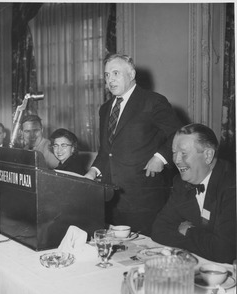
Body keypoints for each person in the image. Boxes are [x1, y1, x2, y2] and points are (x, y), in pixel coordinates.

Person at [85, 53, 182, 236]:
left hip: (143, 199)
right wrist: (92, 172)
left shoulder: (153, 101)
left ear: (131, 74)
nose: (110, 80)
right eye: (107, 75)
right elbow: (107, 151)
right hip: (110, 199)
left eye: (116, 73)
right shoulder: (105, 109)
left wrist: (160, 157)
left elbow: (179, 134)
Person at [151, 123, 236, 264]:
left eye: (183, 153)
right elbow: (158, 230)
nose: (176, 160)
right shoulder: (181, 183)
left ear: (208, 155)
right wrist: (204, 241)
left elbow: (223, 251)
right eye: (174, 152)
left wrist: (188, 230)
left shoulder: (232, 184)